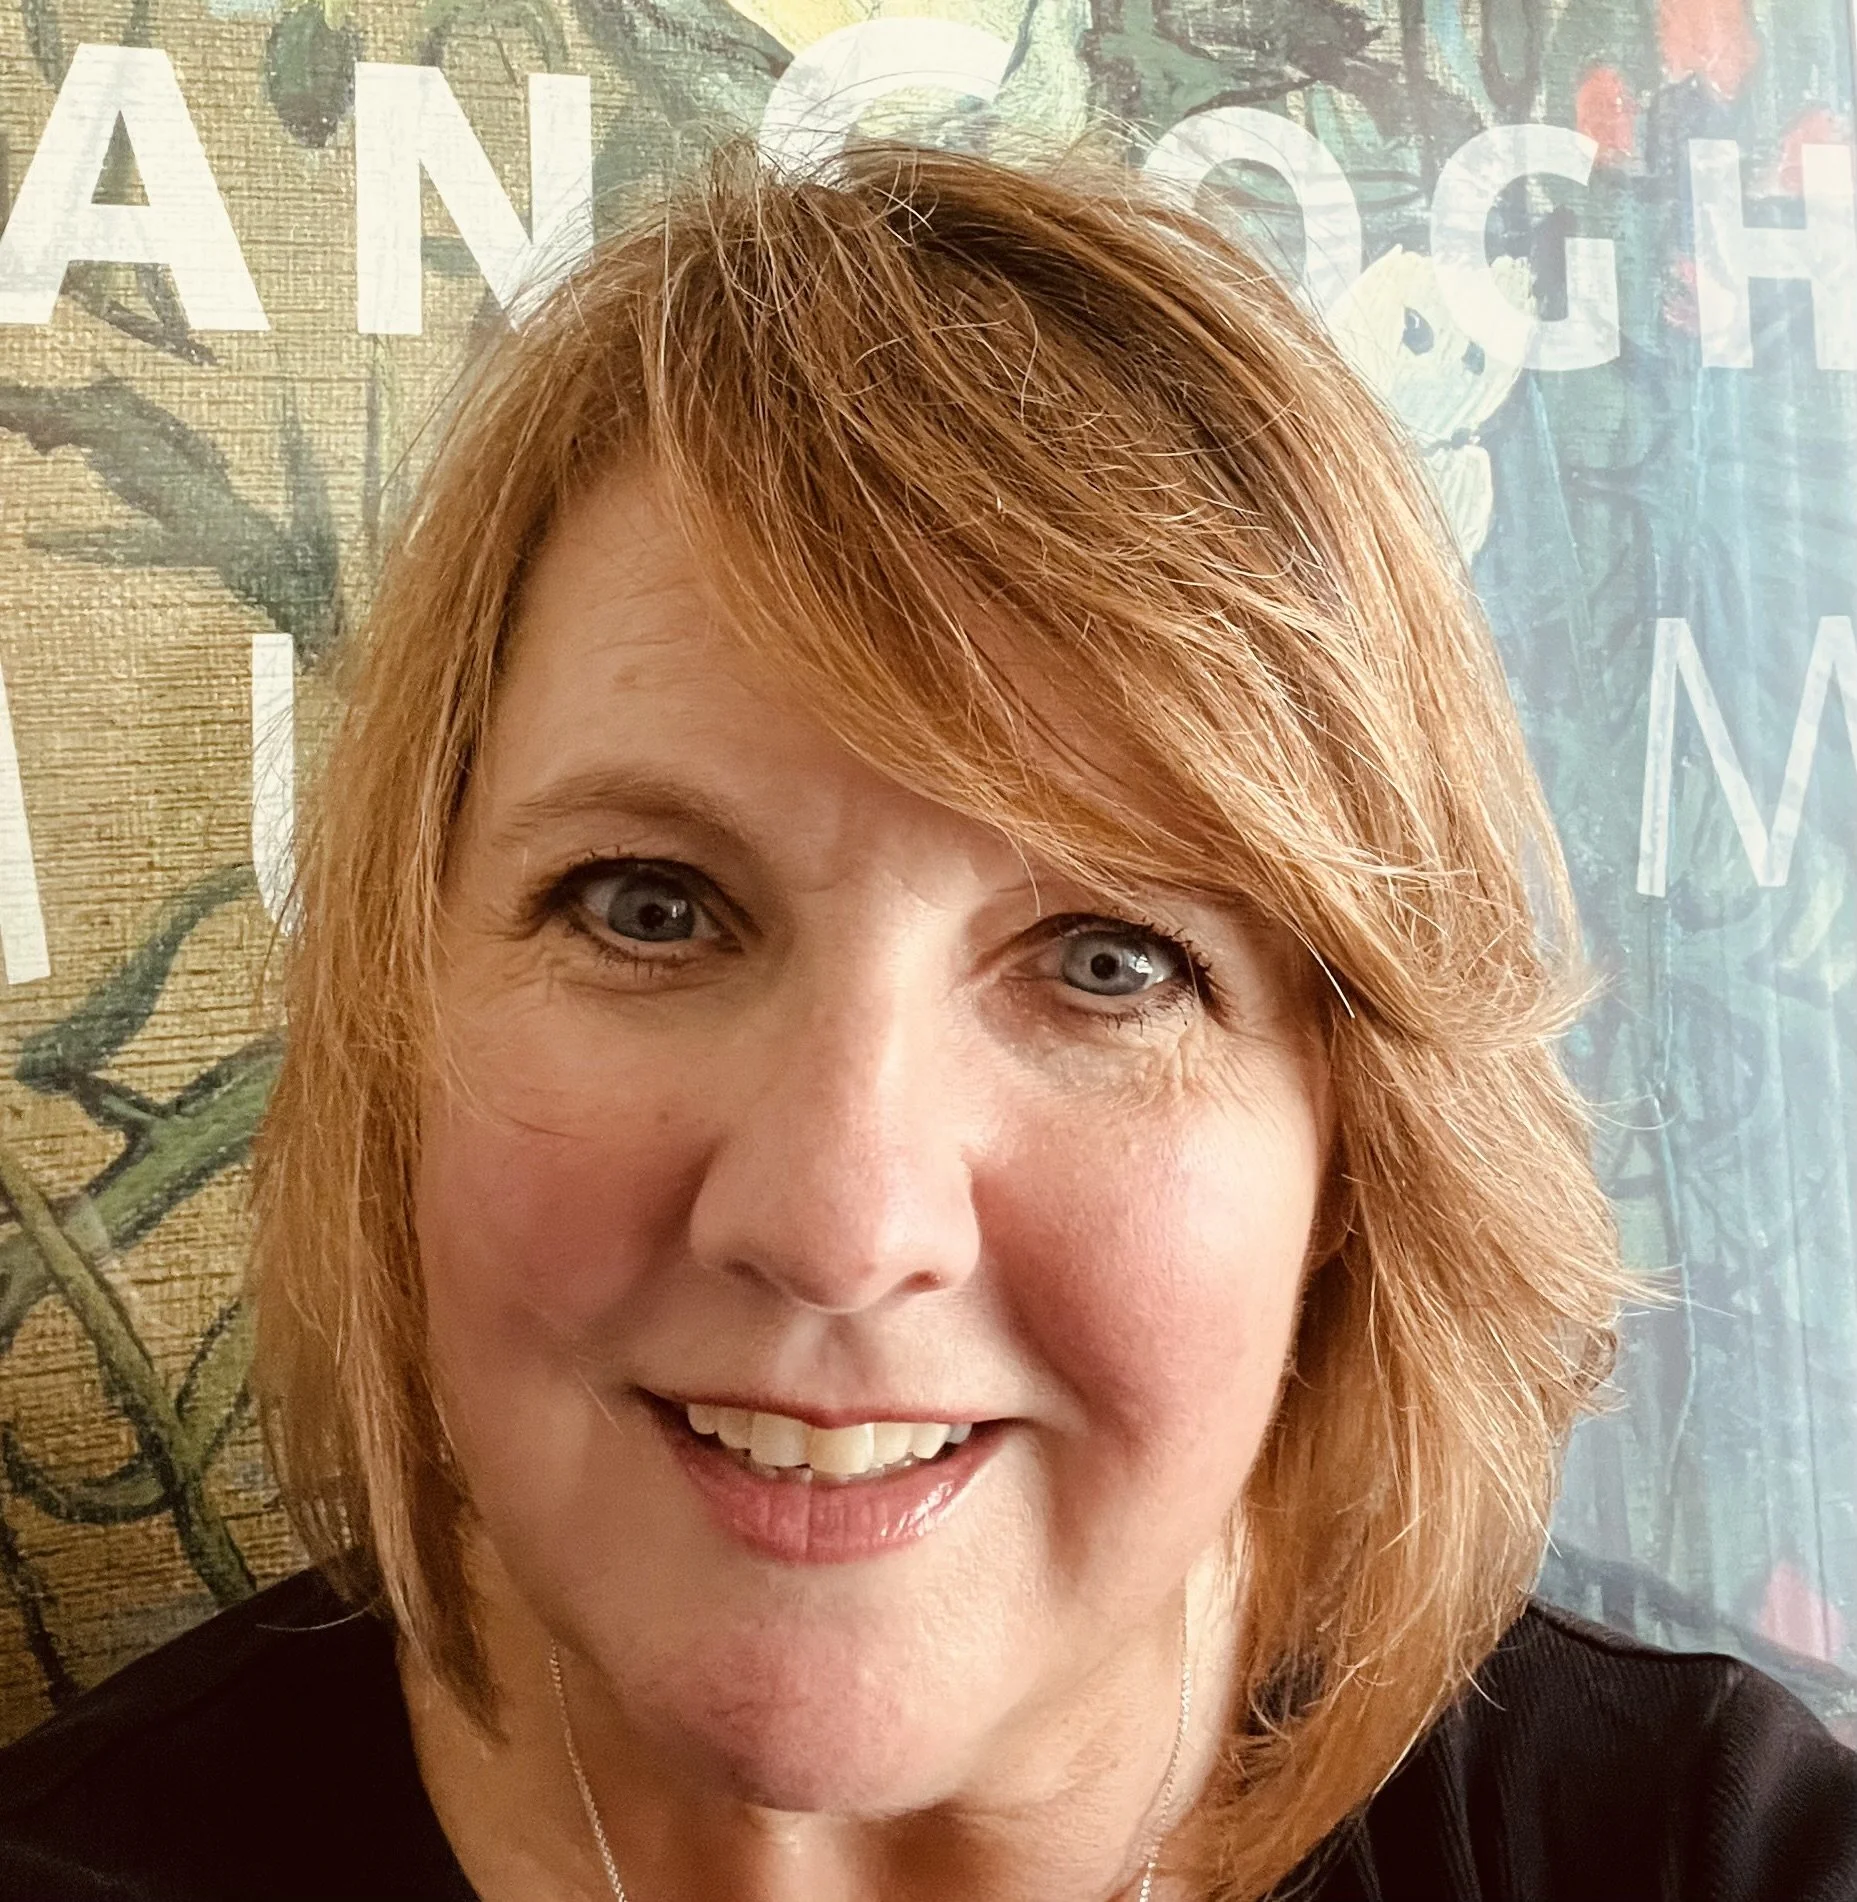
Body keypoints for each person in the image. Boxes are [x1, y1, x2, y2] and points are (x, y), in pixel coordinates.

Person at [0, 140, 1852, 1902]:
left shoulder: (1707, 1851)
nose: (836, 1221)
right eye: (650, 908)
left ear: (1353, 1151)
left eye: (1112, 961)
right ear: (402, 1030)